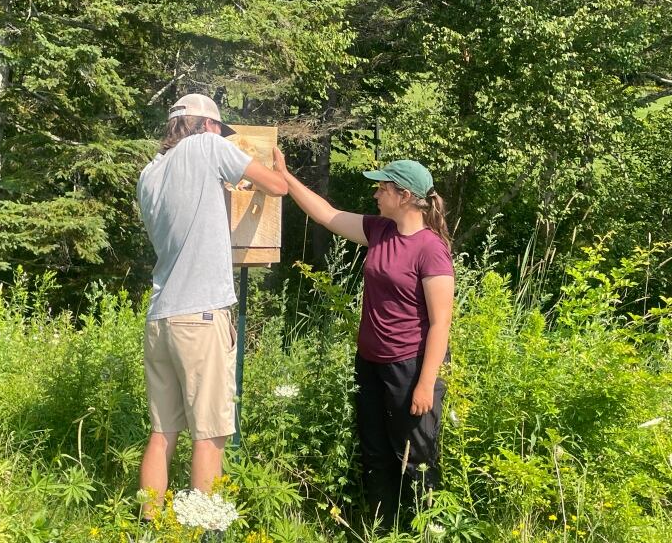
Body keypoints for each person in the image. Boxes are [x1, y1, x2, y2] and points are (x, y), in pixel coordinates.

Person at [273, 151, 454, 527]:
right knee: (375, 453)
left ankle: (423, 530)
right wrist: (286, 177)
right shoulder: (379, 230)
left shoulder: (430, 249)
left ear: (404, 196)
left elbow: (440, 324)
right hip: (370, 363)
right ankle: (381, 529)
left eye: (382, 188)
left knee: (415, 457)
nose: (375, 194)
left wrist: (425, 383)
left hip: (410, 367)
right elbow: (326, 214)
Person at [136, 93, 287, 516]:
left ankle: (150, 525)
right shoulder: (207, 147)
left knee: (162, 432)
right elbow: (276, 187)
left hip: (161, 315)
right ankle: (205, 529)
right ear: (205, 125)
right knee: (210, 434)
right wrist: (279, 170)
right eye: (221, 129)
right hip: (201, 316)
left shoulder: (149, 174)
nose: (223, 136)